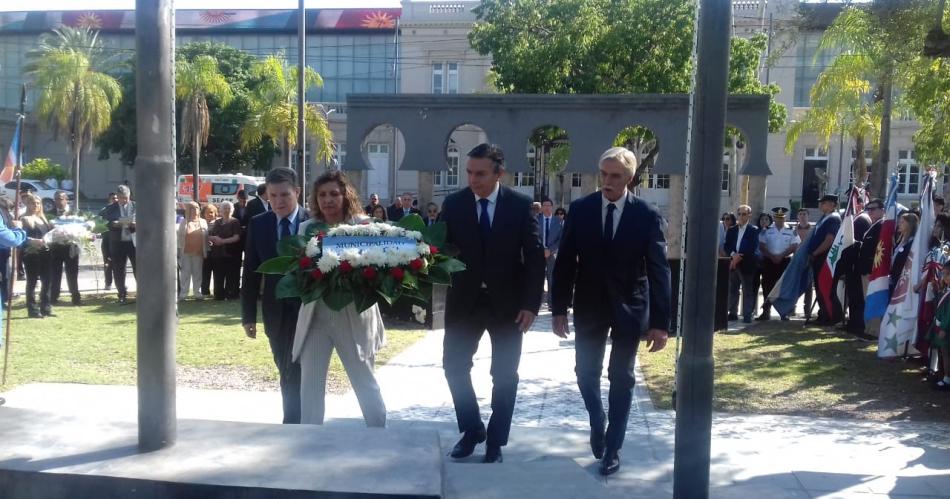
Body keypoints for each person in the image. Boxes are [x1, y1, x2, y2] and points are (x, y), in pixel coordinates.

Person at [551, 146, 671, 476]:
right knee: (584, 373)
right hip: (589, 305)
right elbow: (564, 263)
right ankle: (597, 419)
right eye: (603, 173)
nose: (607, 180)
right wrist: (558, 308)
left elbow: (660, 270)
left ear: (629, 179)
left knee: (622, 376)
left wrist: (661, 323)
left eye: (615, 175)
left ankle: (613, 448)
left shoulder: (646, 215)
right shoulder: (581, 209)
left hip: (630, 307)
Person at [440, 143, 545, 464]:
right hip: (464, 303)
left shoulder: (520, 206)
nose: (473, 179)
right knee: (454, 366)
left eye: (481, 173)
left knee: (504, 374)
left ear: (499, 172)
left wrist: (531, 304)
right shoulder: (454, 204)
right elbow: (440, 249)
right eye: (469, 172)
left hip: (509, 306)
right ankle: (472, 429)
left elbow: (535, 259)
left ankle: (496, 441)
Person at [293, 171, 386, 427]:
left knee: (364, 383)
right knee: (310, 388)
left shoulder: (363, 225)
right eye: (322, 195)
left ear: (346, 195)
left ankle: (380, 437)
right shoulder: (305, 228)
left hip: (353, 316)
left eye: (334, 193)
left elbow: (376, 271)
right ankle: (308, 444)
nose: (328, 200)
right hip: (316, 317)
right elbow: (298, 271)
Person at [241, 167, 307, 424]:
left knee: (300, 370)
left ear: (297, 193)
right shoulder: (260, 224)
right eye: (273, 195)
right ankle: (295, 420)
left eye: (285, 195)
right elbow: (250, 272)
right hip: (275, 312)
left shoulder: (311, 223)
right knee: (286, 368)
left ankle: (295, 422)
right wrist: (248, 316)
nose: (278, 201)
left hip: (308, 311)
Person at [758, 207, 800, 321]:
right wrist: (772, 256)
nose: (779, 220)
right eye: (777, 218)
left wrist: (781, 256)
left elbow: (794, 245)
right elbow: (761, 246)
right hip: (769, 262)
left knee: (784, 288)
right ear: (774, 218)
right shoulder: (766, 230)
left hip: (785, 261)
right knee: (767, 287)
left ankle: (784, 313)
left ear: (785, 218)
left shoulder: (791, 230)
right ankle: (766, 312)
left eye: (781, 218)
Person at [808, 195, 842, 325]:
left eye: (824, 203)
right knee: (820, 287)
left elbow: (829, 240)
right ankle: (824, 314)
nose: (821, 205)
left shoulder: (833, 219)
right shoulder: (824, 218)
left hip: (825, 258)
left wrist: (815, 253)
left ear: (832, 204)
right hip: (819, 258)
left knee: (826, 287)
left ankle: (832, 316)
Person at [724, 204, 760, 323]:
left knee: (747, 290)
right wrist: (733, 255)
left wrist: (738, 257)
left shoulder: (753, 230)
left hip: (747, 263)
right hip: (733, 263)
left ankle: (747, 314)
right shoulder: (732, 230)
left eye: (744, 214)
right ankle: (732, 313)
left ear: (749, 215)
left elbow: (752, 247)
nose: (741, 216)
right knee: (733, 289)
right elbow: (727, 246)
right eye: (739, 214)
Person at [101, 185, 136, 304]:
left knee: (139, 268)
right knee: (119, 269)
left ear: (129, 196)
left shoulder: (136, 206)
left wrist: (133, 223)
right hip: (117, 242)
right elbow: (108, 223)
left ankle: (142, 293)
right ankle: (122, 294)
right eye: (121, 198)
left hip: (133, 242)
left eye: (126, 197)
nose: (124, 200)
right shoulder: (111, 208)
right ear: (117, 197)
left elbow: (144, 221)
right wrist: (117, 223)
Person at [21, 193, 53, 318]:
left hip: (45, 252)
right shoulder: (24, 219)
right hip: (31, 254)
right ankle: (32, 310)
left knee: (47, 281)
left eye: (38, 203)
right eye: (33, 203)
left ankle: (46, 307)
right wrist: (33, 241)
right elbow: (21, 236)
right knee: (32, 282)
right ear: (27, 204)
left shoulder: (43, 219)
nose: (36, 205)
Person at [49, 191, 81, 306]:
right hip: (56, 247)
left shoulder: (75, 212)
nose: (58, 201)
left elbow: (82, 227)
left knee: (72, 274)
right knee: (55, 274)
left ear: (66, 199)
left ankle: (76, 298)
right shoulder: (50, 213)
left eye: (61, 199)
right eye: (56, 199)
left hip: (71, 247)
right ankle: (53, 297)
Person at [209, 202, 243, 300]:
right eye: (224, 208)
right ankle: (219, 295)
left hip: (231, 253)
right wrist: (213, 238)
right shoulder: (217, 222)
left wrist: (222, 241)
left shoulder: (235, 222)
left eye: (228, 208)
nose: (226, 210)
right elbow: (210, 235)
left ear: (232, 210)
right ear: (220, 210)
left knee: (231, 276)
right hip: (217, 253)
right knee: (218, 275)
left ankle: (231, 294)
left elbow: (236, 237)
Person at [177, 202, 208, 300]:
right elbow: (179, 239)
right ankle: (183, 293)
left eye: (197, 208)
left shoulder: (203, 221)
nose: (195, 210)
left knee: (198, 273)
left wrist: (206, 250)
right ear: (188, 210)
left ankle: (197, 292)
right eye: (192, 208)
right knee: (185, 273)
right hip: (185, 252)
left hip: (199, 252)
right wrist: (178, 252)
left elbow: (206, 237)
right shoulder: (184, 222)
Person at [537, 198, 563, 308]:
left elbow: (560, 239)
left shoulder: (558, 221)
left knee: (552, 278)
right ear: (542, 207)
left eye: (549, 205)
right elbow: (534, 236)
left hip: (552, 254)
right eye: (545, 205)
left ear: (552, 207)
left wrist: (550, 250)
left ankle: (551, 303)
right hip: (538, 253)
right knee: (537, 278)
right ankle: (536, 303)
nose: (547, 207)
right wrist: (542, 249)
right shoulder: (536, 219)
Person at [930, 261, 950, 390]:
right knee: (944, 353)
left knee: (947, 353)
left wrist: (944, 328)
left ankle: (947, 379)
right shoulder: (946, 290)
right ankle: (944, 376)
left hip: (946, 329)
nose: (944, 277)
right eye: (943, 274)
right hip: (941, 327)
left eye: (947, 274)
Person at [890, 212, 918, 296]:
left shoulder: (912, 243)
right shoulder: (901, 240)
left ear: (910, 225)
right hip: (894, 278)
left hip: (902, 281)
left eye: (902, 222)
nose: (899, 224)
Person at [795, 208, 814, 319]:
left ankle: (807, 311)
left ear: (808, 216)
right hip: (796, 260)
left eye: (804, 214)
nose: (802, 216)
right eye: (800, 214)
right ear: (798, 216)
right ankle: (792, 308)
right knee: (795, 284)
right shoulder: (793, 230)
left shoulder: (813, 230)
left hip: (808, 260)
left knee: (808, 286)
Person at [200, 204, 219, 297]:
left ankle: (217, 292)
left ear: (215, 213)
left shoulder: (219, 223)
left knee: (217, 272)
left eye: (211, 212)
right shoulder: (200, 223)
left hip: (216, 252)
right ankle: (205, 292)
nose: (210, 214)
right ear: (203, 214)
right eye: (207, 212)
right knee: (205, 272)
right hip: (205, 251)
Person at [99, 193, 117, 291]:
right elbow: (98, 222)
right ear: (109, 199)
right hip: (106, 239)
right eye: (113, 198)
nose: (115, 200)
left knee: (118, 262)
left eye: (116, 198)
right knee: (107, 261)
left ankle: (120, 283)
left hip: (118, 240)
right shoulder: (104, 210)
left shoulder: (120, 210)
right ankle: (108, 283)